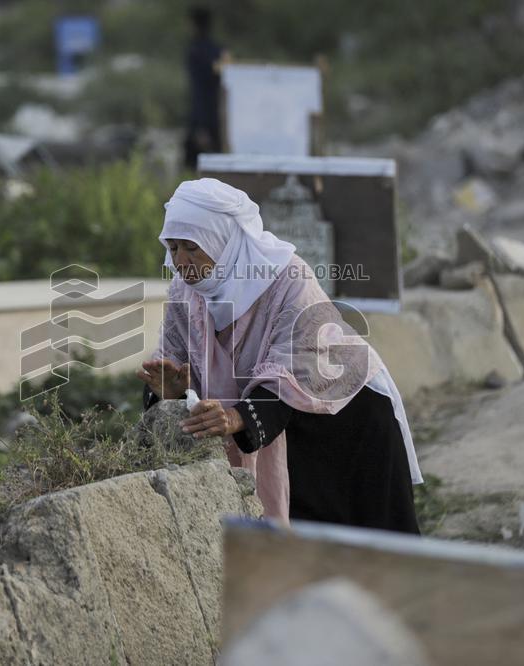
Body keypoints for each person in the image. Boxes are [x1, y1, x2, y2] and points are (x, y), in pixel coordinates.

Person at [136, 178, 423, 534]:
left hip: (348, 426)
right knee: (299, 561)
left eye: (192, 248)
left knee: (378, 547)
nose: (180, 261)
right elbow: (171, 358)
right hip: (277, 431)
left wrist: (236, 417)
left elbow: (299, 364)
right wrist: (170, 390)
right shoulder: (187, 292)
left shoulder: (288, 278)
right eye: (173, 247)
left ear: (223, 242)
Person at [183, 7, 225, 170]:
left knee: (194, 169)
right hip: (220, 119)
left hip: (202, 120)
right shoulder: (219, 50)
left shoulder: (195, 51)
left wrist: (200, 126)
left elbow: (199, 91)